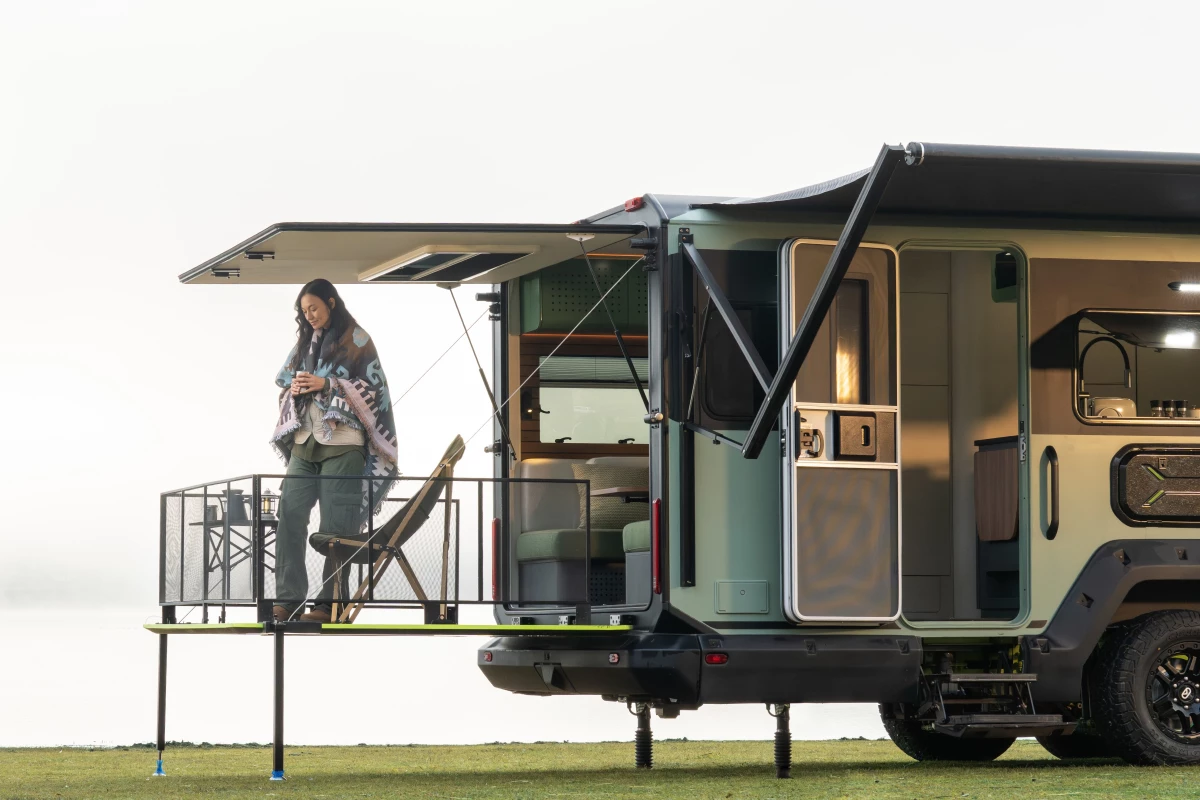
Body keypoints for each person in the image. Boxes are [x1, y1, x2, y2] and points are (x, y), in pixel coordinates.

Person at [270, 279, 399, 622]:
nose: (309, 315)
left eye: (313, 308)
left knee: (336, 527)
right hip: (304, 443)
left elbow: (376, 390)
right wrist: (296, 387)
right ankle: (289, 599)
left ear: (331, 302)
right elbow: (284, 380)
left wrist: (327, 383)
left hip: (343, 446)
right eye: (303, 311)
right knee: (290, 517)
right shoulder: (304, 344)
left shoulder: (358, 340)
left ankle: (329, 604)